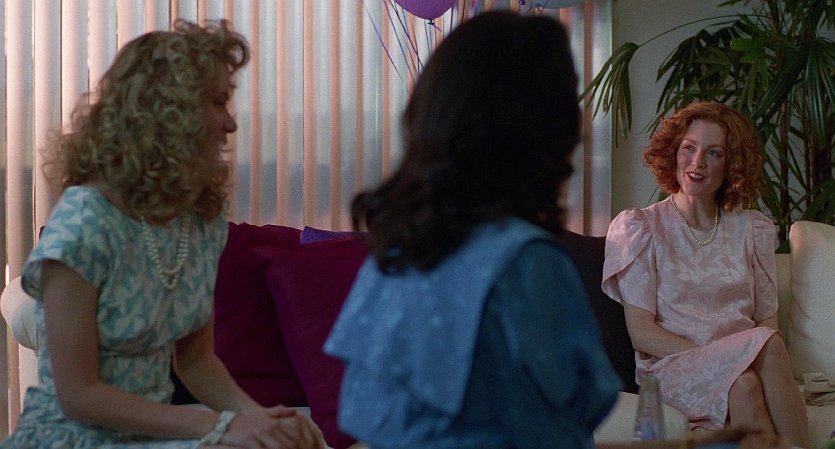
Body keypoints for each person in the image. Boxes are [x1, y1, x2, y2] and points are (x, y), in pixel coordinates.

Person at [322, 11, 782, 449]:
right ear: (544, 130)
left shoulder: (396, 251)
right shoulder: (525, 261)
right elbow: (583, 403)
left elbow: (360, 405)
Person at [2, 20, 323, 449]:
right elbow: (79, 395)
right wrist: (221, 426)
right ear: (168, 113)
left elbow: (196, 361)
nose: (230, 124)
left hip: (155, 434)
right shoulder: (83, 227)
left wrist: (259, 418)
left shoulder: (199, 222)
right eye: (216, 102)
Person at [601, 101, 808, 447]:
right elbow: (641, 333)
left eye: (714, 153)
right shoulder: (641, 227)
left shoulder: (752, 229)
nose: (697, 162)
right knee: (765, 348)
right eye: (689, 148)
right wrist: (722, 357)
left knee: (745, 384)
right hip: (674, 367)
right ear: (674, 152)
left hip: (744, 368)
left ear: (730, 164)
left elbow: (767, 319)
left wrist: (734, 362)